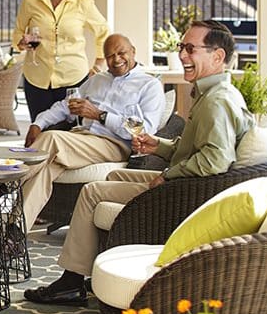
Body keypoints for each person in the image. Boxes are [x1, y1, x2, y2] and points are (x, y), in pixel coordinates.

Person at [24, 20, 253, 305]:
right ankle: (83, 268)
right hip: (116, 152)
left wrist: (168, 175)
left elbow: (215, 159)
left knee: (80, 176)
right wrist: (160, 145)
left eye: (190, 48)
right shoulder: (211, 95)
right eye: (182, 47)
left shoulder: (212, 100)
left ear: (217, 56)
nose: (182, 55)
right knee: (91, 175)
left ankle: (65, 273)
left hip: (177, 187)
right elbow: (193, 148)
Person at [18, 34, 165, 230]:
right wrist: (38, 123)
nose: (116, 59)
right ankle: (14, 235)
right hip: (81, 138)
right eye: (110, 55)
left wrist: (100, 115)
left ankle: (3, 186)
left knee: (52, 138)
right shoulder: (98, 80)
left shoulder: (149, 85)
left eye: (121, 53)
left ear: (133, 52)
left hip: (114, 143)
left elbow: (145, 129)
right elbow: (65, 106)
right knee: (45, 170)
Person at [12, 0, 109, 121]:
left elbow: (104, 32)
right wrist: (21, 43)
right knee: (39, 133)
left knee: (71, 134)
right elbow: (18, 33)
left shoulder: (83, 2)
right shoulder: (30, 1)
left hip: (73, 81)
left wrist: (98, 65)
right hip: (37, 80)